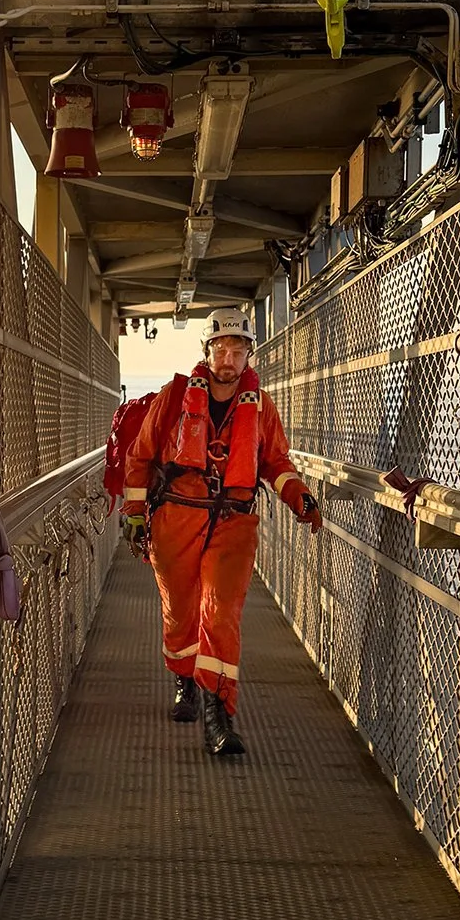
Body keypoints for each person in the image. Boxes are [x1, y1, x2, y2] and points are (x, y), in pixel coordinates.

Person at [120, 309, 322, 758]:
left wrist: (299, 497)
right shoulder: (174, 398)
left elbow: (276, 463)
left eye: (238, 350)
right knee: (181, 611)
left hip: (233, 521)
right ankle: (184, 679)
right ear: (207, 352)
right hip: (176, 519)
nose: (228, 358)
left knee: (221, 612)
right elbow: (140, 456)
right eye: (221, 349)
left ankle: (219, 716)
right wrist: (135, 514)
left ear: (250, 354)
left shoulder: (261, 407)